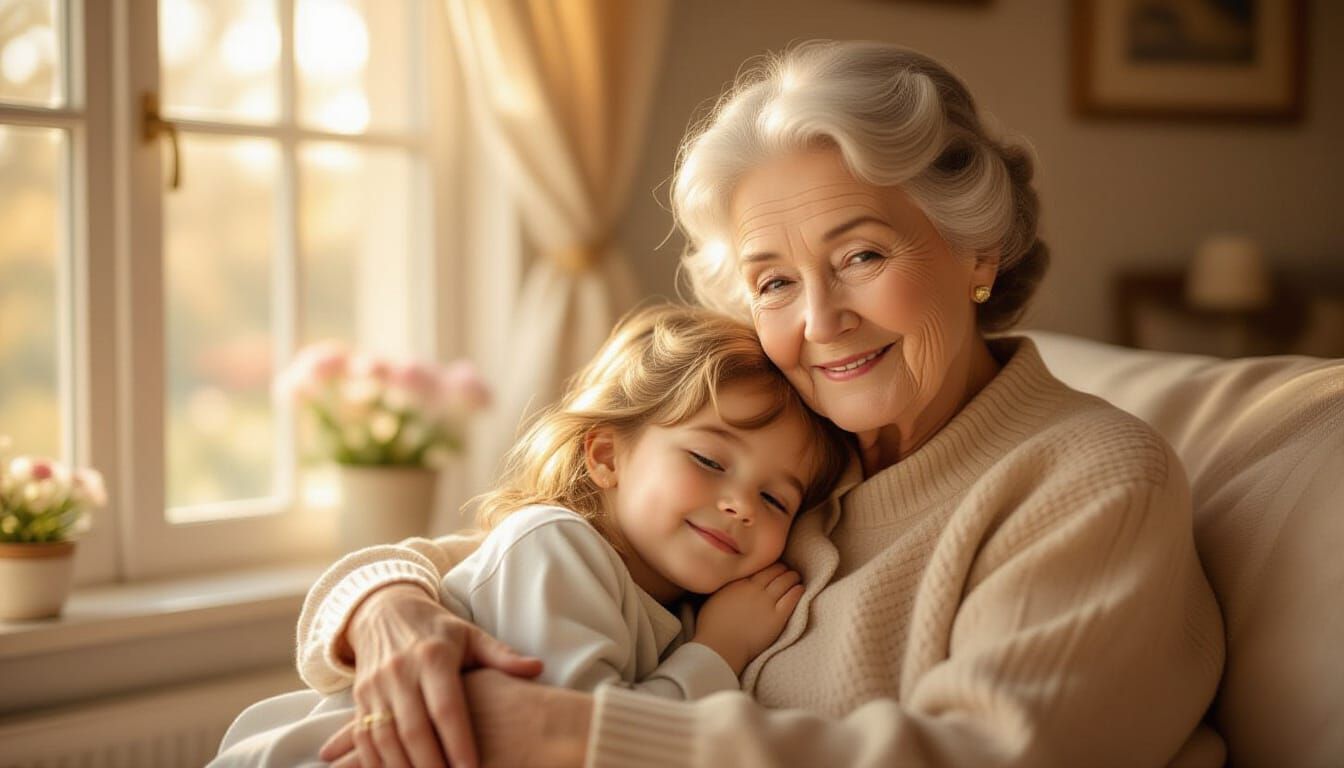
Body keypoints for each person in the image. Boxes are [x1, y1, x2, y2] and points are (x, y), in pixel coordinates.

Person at [306, 41, 1226, 768]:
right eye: (774, 281)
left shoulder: (1094, 480)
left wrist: (565, 738)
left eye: (862, 255)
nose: (821, 321)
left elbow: (986, 756)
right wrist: (390, 615)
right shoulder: (801, 445)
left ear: (978, 250)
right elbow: (500, 553)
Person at [210, 304, 853, 766]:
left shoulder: (672, 610)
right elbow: (576, 743)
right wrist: (718, 653)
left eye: (775, 498)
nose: (741, 504)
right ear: (606, 457)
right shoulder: (555, 545)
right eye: (709, 461)